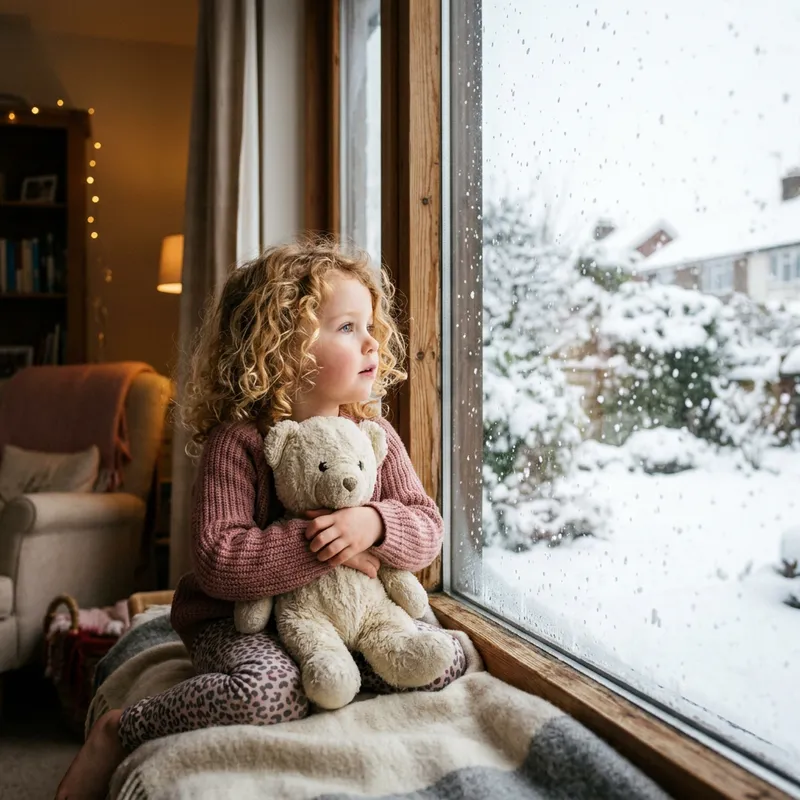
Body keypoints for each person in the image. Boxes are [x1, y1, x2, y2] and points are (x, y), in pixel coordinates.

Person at [55, 238, 467, 799]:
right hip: (238, 620)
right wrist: (326, 542)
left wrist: (373, 524)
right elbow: (220, 561)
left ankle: (340, 668)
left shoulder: (373, 435)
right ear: (282, 348)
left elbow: (426, 527)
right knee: (270, 691)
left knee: (447, 657)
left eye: (370, 325)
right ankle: (119, 729)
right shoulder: (240, 444)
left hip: (344, 619)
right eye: (347, 327)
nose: (373, 341)